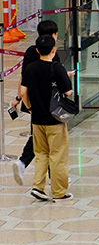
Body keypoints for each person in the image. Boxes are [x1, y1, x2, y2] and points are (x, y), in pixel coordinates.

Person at [10, 20, 68, 185]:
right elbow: (58, 79)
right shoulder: (52, 54)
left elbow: (23, 79)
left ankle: (24, 163)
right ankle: (45, 173)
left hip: (32, 101)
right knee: (51, 143)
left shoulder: (29, 51)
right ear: (53, 35)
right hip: (50, 104)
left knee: (38, 136)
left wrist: (19, 99)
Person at [20, 35, 73, 202]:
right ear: (53, 50)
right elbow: (68, 92)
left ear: (36, 50)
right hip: (55, 120)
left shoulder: (30, 69)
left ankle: (38, 186)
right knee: (57, 156)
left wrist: (29, 108)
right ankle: (58, 192)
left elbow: (22, 93)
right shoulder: (57, 69)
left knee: (41, 153)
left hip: (37, 120)